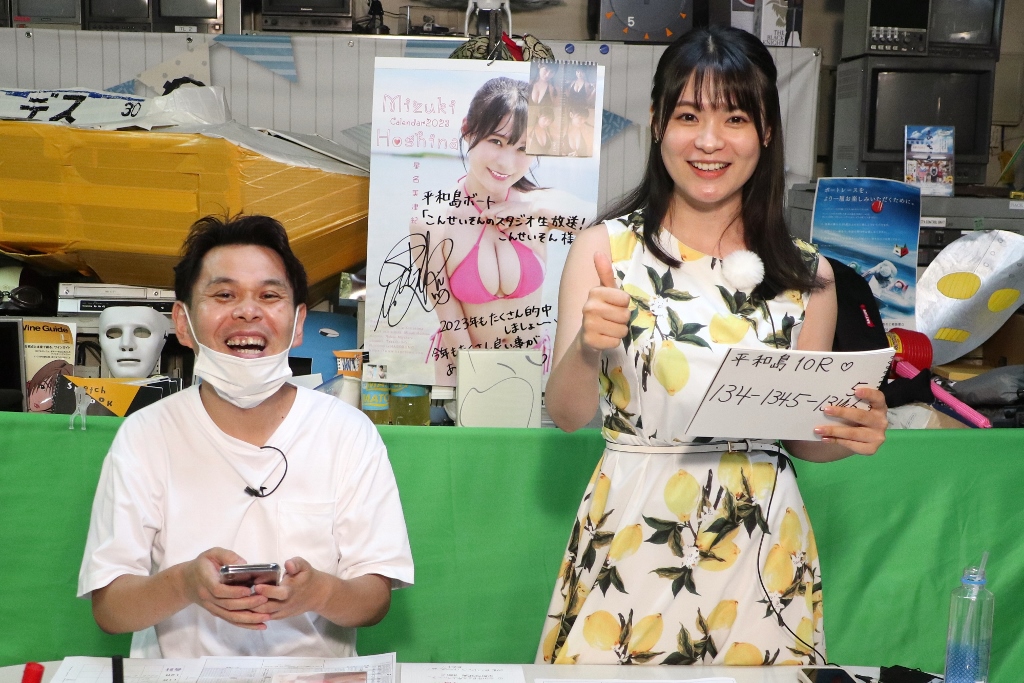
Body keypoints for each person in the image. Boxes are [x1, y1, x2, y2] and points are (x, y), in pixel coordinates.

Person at [536, 26, 887, 666]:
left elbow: (804, 437)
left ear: (767, 131)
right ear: (657, 123)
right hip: (635, 533)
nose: (708, 141)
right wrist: (587, 348)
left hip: (763, 548)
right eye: (689, 116)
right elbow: (566, 414)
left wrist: (850, 430)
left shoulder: (809, 276)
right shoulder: (605, 250)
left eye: (735, 119)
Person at [78, 215, 414, 658]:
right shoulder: (146, 434)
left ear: (298, 323)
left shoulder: (348, 432)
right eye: (224, 294)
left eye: (269, 296)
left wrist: (319, 592)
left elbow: (374, 599)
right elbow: (111, 610)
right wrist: (185, 584)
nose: (248, 311)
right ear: (183, 322)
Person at [412, 77, 595, 372]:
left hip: (529, 362)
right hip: (460, 366)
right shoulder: (431, 222)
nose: (506, 163)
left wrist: (535, 210)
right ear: (468, 131)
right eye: (496, 141)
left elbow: (608, 225)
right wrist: (478, 382)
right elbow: (448, 317)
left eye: (523, 148)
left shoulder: (539, 205)